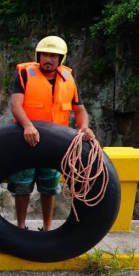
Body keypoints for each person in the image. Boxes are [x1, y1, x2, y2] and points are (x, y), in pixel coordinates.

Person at [9, 35, 94, 231]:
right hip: (26, 139)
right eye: (45, 55)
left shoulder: (69, 79)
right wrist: (28, 126)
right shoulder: (24, 75)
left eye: (54, 56)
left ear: (61, 59)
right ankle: (20, 226)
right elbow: (16, 105)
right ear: (38, 56)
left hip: (54, 143)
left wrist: (84, 126)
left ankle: (47, 228)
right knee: (23, 185)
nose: (49, 59)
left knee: (49, 187)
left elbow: (79, 109)